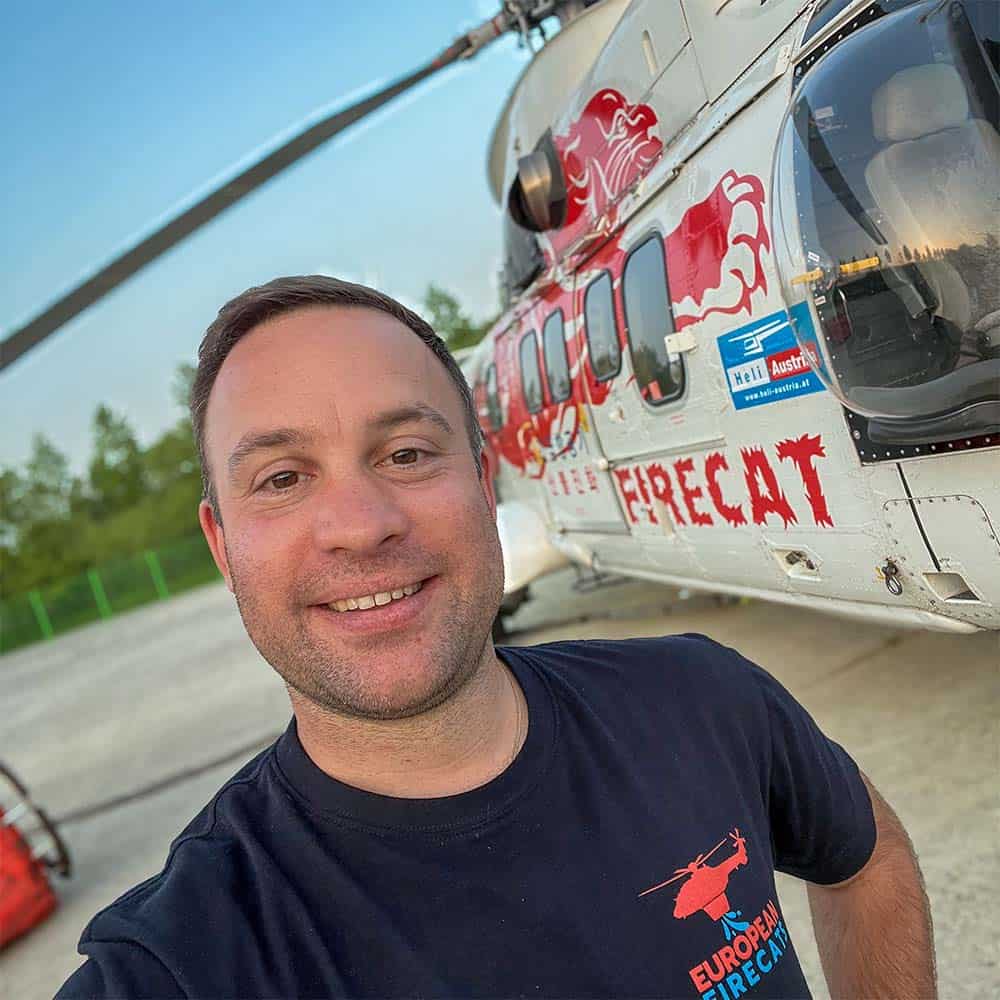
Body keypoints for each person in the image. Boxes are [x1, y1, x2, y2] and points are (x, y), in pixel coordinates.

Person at [57, 276, 936, 999]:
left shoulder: (702, 698)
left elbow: (868, 858)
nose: (359, 527)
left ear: (482, 479)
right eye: (282, 478)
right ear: (222, 545)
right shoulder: (182, 960)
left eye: (406, 453)